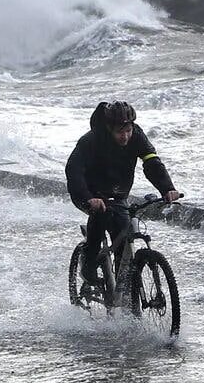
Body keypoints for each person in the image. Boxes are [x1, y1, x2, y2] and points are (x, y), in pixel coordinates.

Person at [65, 101, 182, 291]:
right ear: (109, 128)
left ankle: (124, 291)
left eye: (128, 130)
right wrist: (88, 198)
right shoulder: (91, 140)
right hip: (88, 192)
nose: (125, 136)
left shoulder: (136, 136)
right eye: (120, 131)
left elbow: (152, 163)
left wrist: (167, 188)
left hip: (118, 193)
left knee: (123, 232)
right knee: (101, 215)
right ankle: (88, 264)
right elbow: (73, 171)